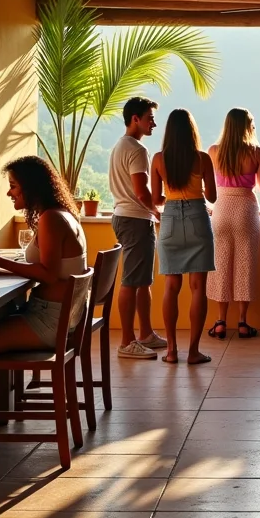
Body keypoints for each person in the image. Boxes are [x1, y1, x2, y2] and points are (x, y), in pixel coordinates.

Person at [0, 157, 90, 353]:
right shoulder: (62, 213)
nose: (9, 193)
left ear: (31, 187)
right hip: (59, 315)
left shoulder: (51, 218)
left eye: (13, 186)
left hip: (48, 320)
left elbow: (48, 274)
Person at [150, 109, 217, 365]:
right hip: (197, 216)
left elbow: (156, 199)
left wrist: (173, 196)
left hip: (169, 220)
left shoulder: (159, 159)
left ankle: (171, 351)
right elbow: (212, 197)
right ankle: (194, 352)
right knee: (198, 287)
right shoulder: (202, 159)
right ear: (191, 132)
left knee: (171, 286)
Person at [108, 96, 168, 359]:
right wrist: (158, 207)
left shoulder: (120, 146)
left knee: (143, 281)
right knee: (132, 281)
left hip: (127, 217)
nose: (153, 123)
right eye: (149, 118)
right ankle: (126, 342)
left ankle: (145, 334)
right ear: (135, 119)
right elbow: (142, 191)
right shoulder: (137, 150)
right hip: (135, 219)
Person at [206, 108, 260, 339]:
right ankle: (243, 322)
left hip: (221, 209)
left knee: (220, 264)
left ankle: (220, 322)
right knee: (245, 264)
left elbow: (208, 189)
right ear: (247, 126)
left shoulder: (214, 151)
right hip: (246, 209)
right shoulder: (256, 151)